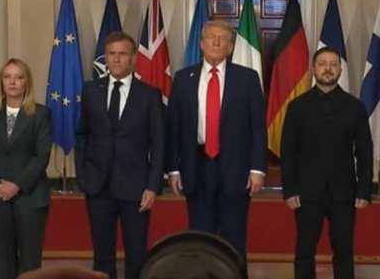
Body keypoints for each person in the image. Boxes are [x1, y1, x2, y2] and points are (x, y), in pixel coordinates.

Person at [166, 20, 267, 262]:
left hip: (236, 169)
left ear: (230, 47)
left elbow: (257, 127)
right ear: (201, 43)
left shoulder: (247, 78)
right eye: (211, 37)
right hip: (196, 167)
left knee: (234, 238)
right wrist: (173, 169)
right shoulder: (183, 78)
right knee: (200, 238)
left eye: (222, 39)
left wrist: (257, 169)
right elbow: (173, 127)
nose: (216, 42)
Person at [75, 31, 165, 279]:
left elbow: (158, 143)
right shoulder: (91, 90)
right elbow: (82, 134)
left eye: (122, 54)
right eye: (111, 54)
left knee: (136, 253)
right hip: (98, 185)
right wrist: (83, 174)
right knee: (102, 254)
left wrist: (153, 186)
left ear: (133, 58)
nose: (116, 60)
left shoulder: (149, 95)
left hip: (136, 188)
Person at [280, 47, 373, 279]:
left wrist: (364, 189)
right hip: (306, 191)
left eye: (333, 64)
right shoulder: (297, 106)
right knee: (304, 249)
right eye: (322, 64)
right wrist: (289, 189)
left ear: (340, 70)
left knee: (344, 250)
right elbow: (288, 152)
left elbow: (364, 151)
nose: (328, 69)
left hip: (344, 192)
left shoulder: (355, 107)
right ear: (314, 69)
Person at [0, 58, 52, 279]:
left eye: (18, 77)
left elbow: (42, 156)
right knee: (1, 260)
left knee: (30, 261)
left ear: (27, 82)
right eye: (7, 77)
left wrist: (16, 185)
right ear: (1, 81)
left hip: (30, 196)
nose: (12, 82)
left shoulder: (41, 114)